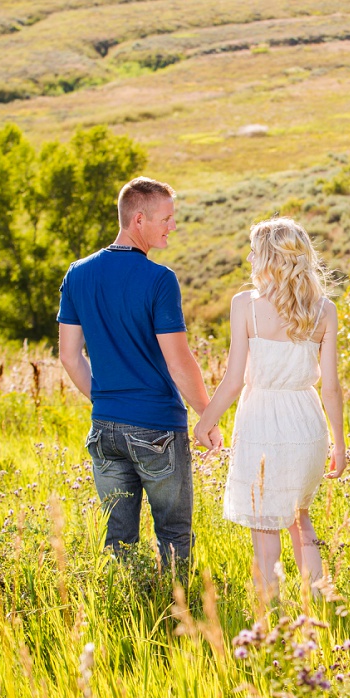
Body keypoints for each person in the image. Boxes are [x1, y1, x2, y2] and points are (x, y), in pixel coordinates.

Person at [58, 176, 220, 574]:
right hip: (157, 428)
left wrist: (104, 401)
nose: (173, 226)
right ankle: (179, 613)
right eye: (166, 218)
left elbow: (68, 355)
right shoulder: (159, 280)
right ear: (139, 220)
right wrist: (207, 415)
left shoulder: (77, 274)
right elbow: (179, 362)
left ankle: (128, 609)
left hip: (105, 430)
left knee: (118, 538)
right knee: (174, 534)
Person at [193, 217, 347, 600]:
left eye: (253, 249)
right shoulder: (325, 310)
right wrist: (340, 444)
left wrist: (204, 423)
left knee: (264, 525)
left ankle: (271, 614)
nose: (248, 256)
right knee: (301, 519)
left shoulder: (245, 305)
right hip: (307, 424)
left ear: (267, 257)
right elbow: (331, 388)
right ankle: (320, 603)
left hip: (262, 420)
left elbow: (233, 380)